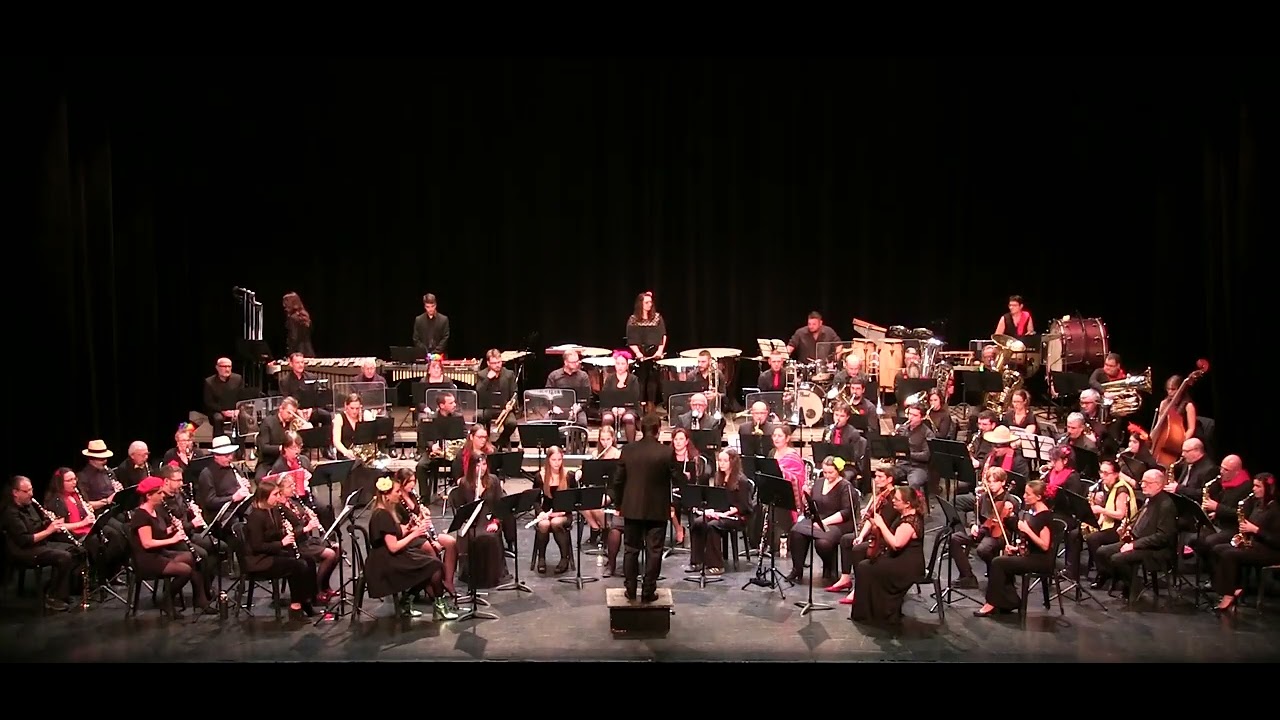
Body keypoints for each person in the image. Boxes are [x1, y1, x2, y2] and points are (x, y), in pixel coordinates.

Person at [365, 476, 457, 620]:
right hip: (384, 563)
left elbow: (397, 533)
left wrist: (410, 527)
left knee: (428, 564)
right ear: (386, 495)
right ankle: (438, 606)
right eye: (396, 492)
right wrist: (415, 534)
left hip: (387, 557)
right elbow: (393, 547)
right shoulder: (382, 515)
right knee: (434, 565)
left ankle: (407, 601)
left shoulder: (384, 512)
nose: (399, 494)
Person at [129, 476, 215, 617]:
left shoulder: (154, 510)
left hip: (159, 552)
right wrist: (173, 539)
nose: (163, 496)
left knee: (195, 557)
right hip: (147, 559)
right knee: (185, 570)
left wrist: (172, 529)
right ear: (149, 496)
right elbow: (147, 543)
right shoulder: (141, 515)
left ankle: (201, 600)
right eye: (159, 493)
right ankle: (166, 600)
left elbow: (159, 533)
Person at [1, 475, 86, 612]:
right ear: (15, 493)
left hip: (38, 544)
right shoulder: (10, 513)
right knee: (63, 556)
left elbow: (38, 525)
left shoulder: (29, 505)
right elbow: (25, 540)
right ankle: (52, 597)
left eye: (31, 490)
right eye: (26, 491)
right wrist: (50, 530)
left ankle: (61, 592)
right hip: (24, 550)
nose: (31, 494)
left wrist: (51, 522)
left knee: (75, 549)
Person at [611, 413, 673, 602]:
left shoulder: (628, 450)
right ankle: (648, 591)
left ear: (640, 429)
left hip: (632, 508)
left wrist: (619, 505)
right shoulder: (666, 452)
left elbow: (618, 480)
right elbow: (676, 477)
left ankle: (630, 589)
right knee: (654, 551)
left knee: (631, 549)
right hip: (657, 510)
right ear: (658, 430)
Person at [974, 479, 1056, 616]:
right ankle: (1009, 600)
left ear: (1039, 497)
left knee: (998, 562)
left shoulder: (1044, 516)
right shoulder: (1033, 513)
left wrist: (1027, 530)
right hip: (1031, 555)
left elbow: (1045, 545)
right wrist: (1016, 549)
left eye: (1028, 494)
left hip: (1041, 560)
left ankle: (992, 603)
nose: (1024, 496)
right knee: (1003, 560)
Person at [243, 479, 320, 618]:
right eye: (275, 494)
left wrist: (286, 531)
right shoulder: (256, 517)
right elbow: (257, 546)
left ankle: (308, 600)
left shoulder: (272, 510)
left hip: (273, 553)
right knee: (297, 565)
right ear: (264, 496)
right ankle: (296, 605)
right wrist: (282, 543)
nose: (278, 497)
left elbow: (273, 533)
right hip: (259, 560)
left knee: (308, 560)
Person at [849, 486, 925, 626]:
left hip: (907, 565)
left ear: (907, 503)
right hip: (900, 558)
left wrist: (881, 524)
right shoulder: (904, 514)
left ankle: (875, 614)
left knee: (865, 568)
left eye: (896, 499)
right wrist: (873, 522)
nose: (893, 501)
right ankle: (873, 612)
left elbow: (897, 544)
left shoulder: (910, 521)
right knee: (865, 566)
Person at [1211, 473, 1280, 612]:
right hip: (1256, 546)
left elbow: (1277, 540)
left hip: (1271, 551)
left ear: (1268, 489)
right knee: (1218, 548)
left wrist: (1255, 530)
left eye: (1257, 486)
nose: (1253, 489)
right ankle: (1232, 587)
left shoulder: (1276, 509)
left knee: (1229, 555)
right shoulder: (1258, 504)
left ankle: (1229, 594)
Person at [686, 448, 753, 576]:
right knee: (698, 522)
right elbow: (717, 500)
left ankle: (716, 564)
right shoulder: (719, 477)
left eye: (724, 461)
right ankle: (697, 561)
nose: (721, 463)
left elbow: (744, 506)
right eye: (720, 460)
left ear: (732, 462)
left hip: (738, 517)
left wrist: (726, 514)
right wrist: (712, 511)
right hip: (721, 513)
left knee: (712, 526)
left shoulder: (742, 481)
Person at [282, 291, 315, 357]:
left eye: (285, 302)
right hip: (308, 352)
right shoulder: (305, 315)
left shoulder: (292, 318)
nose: (283, 305)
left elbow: (294, 337)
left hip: (297, 354)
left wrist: (290, 353)